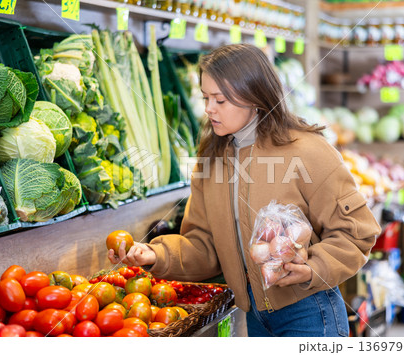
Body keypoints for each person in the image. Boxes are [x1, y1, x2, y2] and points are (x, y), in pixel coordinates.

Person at [108, 43, 381, 337]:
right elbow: (204, 245)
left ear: (254, 96)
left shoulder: (307, 150)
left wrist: (313, 268)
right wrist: (154, 254)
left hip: (311, 313)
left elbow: (357, 232)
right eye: (206, 98)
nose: (209, 109)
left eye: (220, 100)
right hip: (254, 316)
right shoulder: (211, 157)